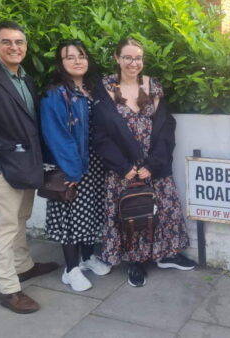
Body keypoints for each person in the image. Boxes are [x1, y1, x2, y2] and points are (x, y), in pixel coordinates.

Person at [0, 21, 58, 314]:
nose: (14, 47)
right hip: (5, 169)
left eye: (19, 42)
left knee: (21, 218)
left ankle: (24, 266)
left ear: (26, 47)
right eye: (7, 42)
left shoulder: (25, 80)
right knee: (4, 228)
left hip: (26, 166)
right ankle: (9, 289)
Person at [91, 38, 195, 288]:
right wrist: (124, 167)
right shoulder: (103, 88)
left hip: (153, 164)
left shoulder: (153, 85)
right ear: (116, 58)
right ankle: (136, 262)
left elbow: (165, 126)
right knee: (133, 214)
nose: (133, 63)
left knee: (164, 210)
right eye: (127, 57)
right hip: (123, 169)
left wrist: (155, 162)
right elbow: (100, 133)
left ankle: (166, 255)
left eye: (137, 58)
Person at [40, 40, 111, 292]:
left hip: (95, 164)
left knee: (91, 212)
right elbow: (56, 134)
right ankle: (71, 269)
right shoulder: (56, 93)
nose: (77, 61)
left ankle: (87, 257)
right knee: (71, 217)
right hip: (71, 166)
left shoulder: (94, 89)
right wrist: (72, 170)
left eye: (81, 55)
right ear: (61, 63)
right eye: (69, 57)